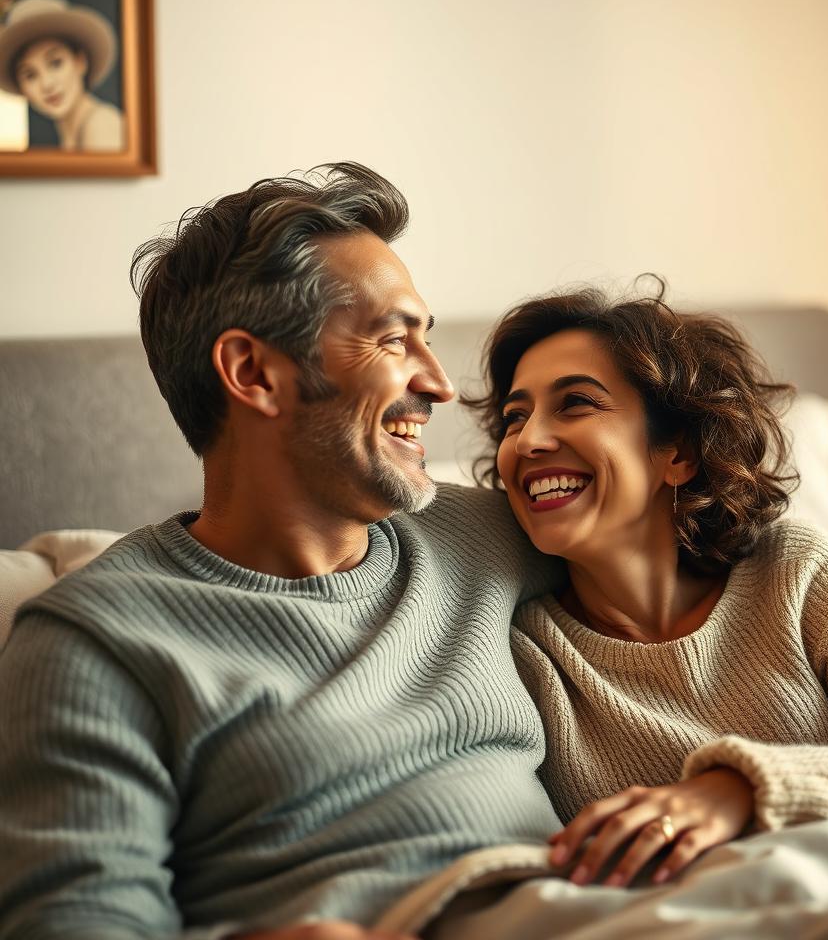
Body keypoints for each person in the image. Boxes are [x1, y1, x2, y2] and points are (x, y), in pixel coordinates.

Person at [0, 162, 566, 939]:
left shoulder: (494, 535)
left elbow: (737, 561)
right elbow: (76, 922)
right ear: (254, 373)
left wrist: (734, 789)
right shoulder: (97, 641)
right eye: (394, 340)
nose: (438, 384)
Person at [460, 283, 828, 891]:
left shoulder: (793, 572)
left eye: (577, 403)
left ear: (679, 453)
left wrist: (739, 789)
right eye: (514, 417)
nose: (527, 441)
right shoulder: (522, 653)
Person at [0, 0, 125, 151]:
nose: (47, 84)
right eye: (30, 75)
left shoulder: (101, 124)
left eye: (55, 63)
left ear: (80, 61)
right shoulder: (70, 135)